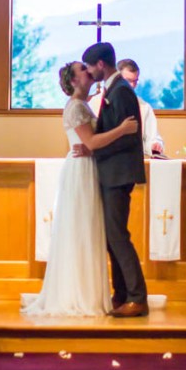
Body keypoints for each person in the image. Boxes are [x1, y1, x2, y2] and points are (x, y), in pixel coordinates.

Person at [22, 60, 138, 317]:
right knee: (83, 230)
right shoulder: (75, 107)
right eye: (82, 70)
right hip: (81, 172)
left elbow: (89, 142)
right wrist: (122, 129)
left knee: (91, 231)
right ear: (74, 80)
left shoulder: (84, 103)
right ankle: (78, 293)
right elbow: (92, 140)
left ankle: (93, 290)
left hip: (89, 167)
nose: (88, 72)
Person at [82, 42, 149, 317]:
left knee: (118, 236)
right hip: (112, 171)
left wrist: (94, 147)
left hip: (119, 173)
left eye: (89, 66)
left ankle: (137, 296)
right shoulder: (113, 88)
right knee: (112, 237)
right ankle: (121, 294)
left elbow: (129, 136)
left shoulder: (120, 91)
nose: (87, 72)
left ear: (100, 65)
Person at [91, 58, 164, 157]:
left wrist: (154, 145)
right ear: (117, 77)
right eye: (128, 81)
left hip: (131, 161)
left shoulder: (144, 107)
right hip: (102, 159)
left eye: (135, 81)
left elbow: (152, 138)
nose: (132, 85)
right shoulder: (95, 103)